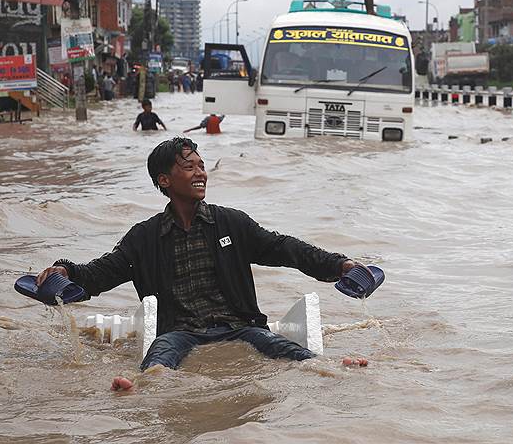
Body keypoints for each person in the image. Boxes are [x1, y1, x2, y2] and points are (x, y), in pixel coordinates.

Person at [35, 137, 366, 390]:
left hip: (240, 325)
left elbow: (287, 248)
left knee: (286, 350)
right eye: (190, 167)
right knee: (159, 358)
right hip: (180, 331)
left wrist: (341, 266)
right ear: (165, 180)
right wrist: (64, 271)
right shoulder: (145, 237)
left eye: (202, 166)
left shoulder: (232, 224)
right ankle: (137, 390)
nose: (201, 173)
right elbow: (100, 273)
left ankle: (333, 367)